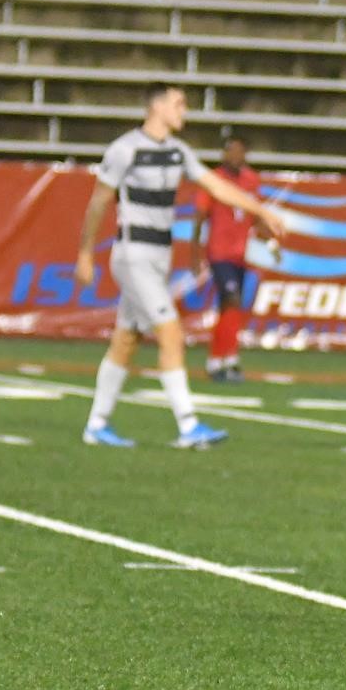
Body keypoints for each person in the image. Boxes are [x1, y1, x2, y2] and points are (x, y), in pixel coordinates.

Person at [76, 83, 286, 449]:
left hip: (158, 257)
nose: (183, 111)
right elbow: (98, 202)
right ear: (156, 107)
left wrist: (260, 209)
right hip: (133, 255)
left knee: (126, 339)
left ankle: (97, 425)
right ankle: (188, 425)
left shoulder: (177, 152)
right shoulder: (125, 149)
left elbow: (217, 187)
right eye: (178, 104)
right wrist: (85, 252)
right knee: (171, 333)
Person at [192, 136, 261, 383]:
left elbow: (254, 214)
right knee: (232, 300)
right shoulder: (214, 180)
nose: (235, 157)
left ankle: (218, 360)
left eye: (240, 152)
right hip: (219, 252)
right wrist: (194, 252)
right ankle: (228, 358)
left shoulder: (251, 180)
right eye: (231, 152)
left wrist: (268, 237)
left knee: (229, 307)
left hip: (239, 254)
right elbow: (200, 215)